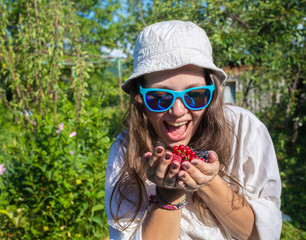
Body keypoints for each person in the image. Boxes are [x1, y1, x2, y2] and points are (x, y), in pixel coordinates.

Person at [105, 20, 282, 240]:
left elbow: (260, 235)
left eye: (195, 95)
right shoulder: (126, 151)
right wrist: (169, 194)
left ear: (212, 93)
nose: (178, 111)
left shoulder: (244, 130)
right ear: (140, 99)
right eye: (159, 98)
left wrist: (208, 182)